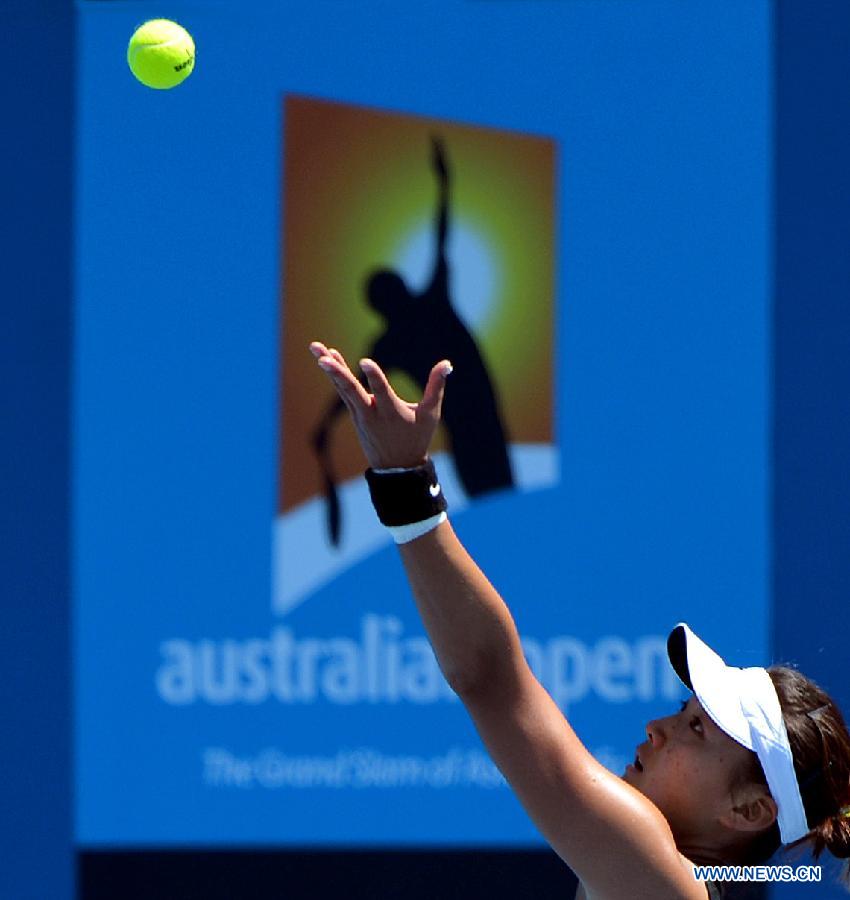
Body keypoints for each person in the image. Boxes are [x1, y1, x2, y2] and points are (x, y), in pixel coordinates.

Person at [308, 340, 850, 899]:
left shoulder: (657, 872)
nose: (656, 729)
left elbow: (487, 677)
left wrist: (405, 483)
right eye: (682, 712)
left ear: (752, 809)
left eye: (696, 729)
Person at [311, 137, 513, 546]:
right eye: (391, 288)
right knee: (499, 519)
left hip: (483, 427)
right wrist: (326, 426)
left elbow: (442, 236)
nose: (399, 288)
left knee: (506, 511)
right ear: (388, 300)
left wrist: (444, 185)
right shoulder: (398, 335)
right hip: (471, 436)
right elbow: (350, 394)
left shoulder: (411, 322)